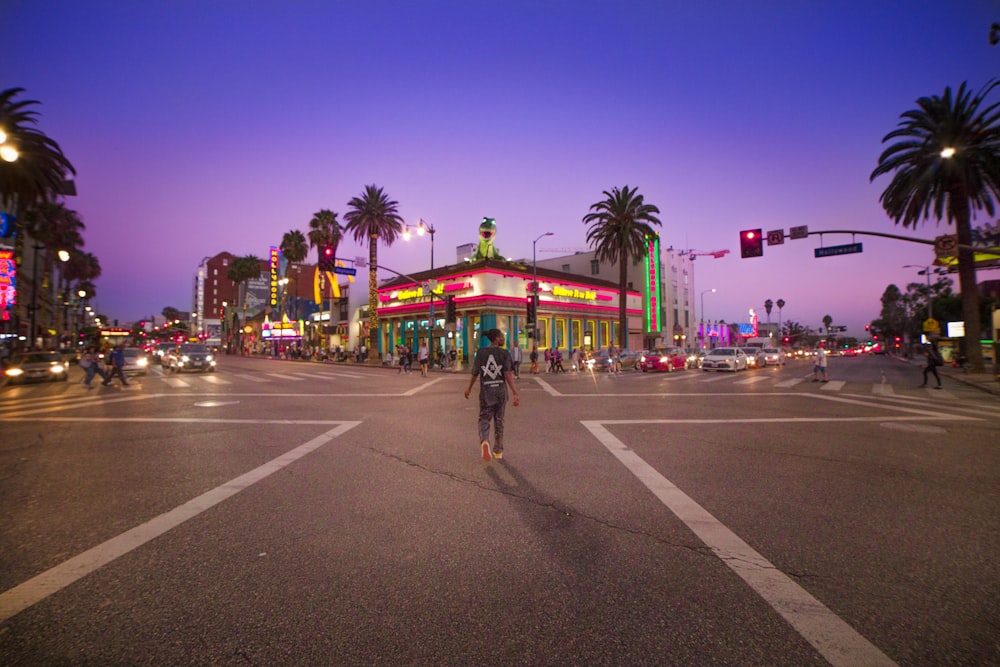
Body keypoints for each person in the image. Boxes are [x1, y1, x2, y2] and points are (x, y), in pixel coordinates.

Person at [464, 328, 520, 462]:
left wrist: (469, 388)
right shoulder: (504, 353)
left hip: (486, 392)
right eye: (501, 337)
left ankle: (484, 441)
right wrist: (514, 392)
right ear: (496, 338)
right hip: (500, 392)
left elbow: (475, 373)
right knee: (499, 420)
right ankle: (498, 450)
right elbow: (508, 375)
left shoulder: (481, 353)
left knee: (484, 418)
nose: (503, 339)